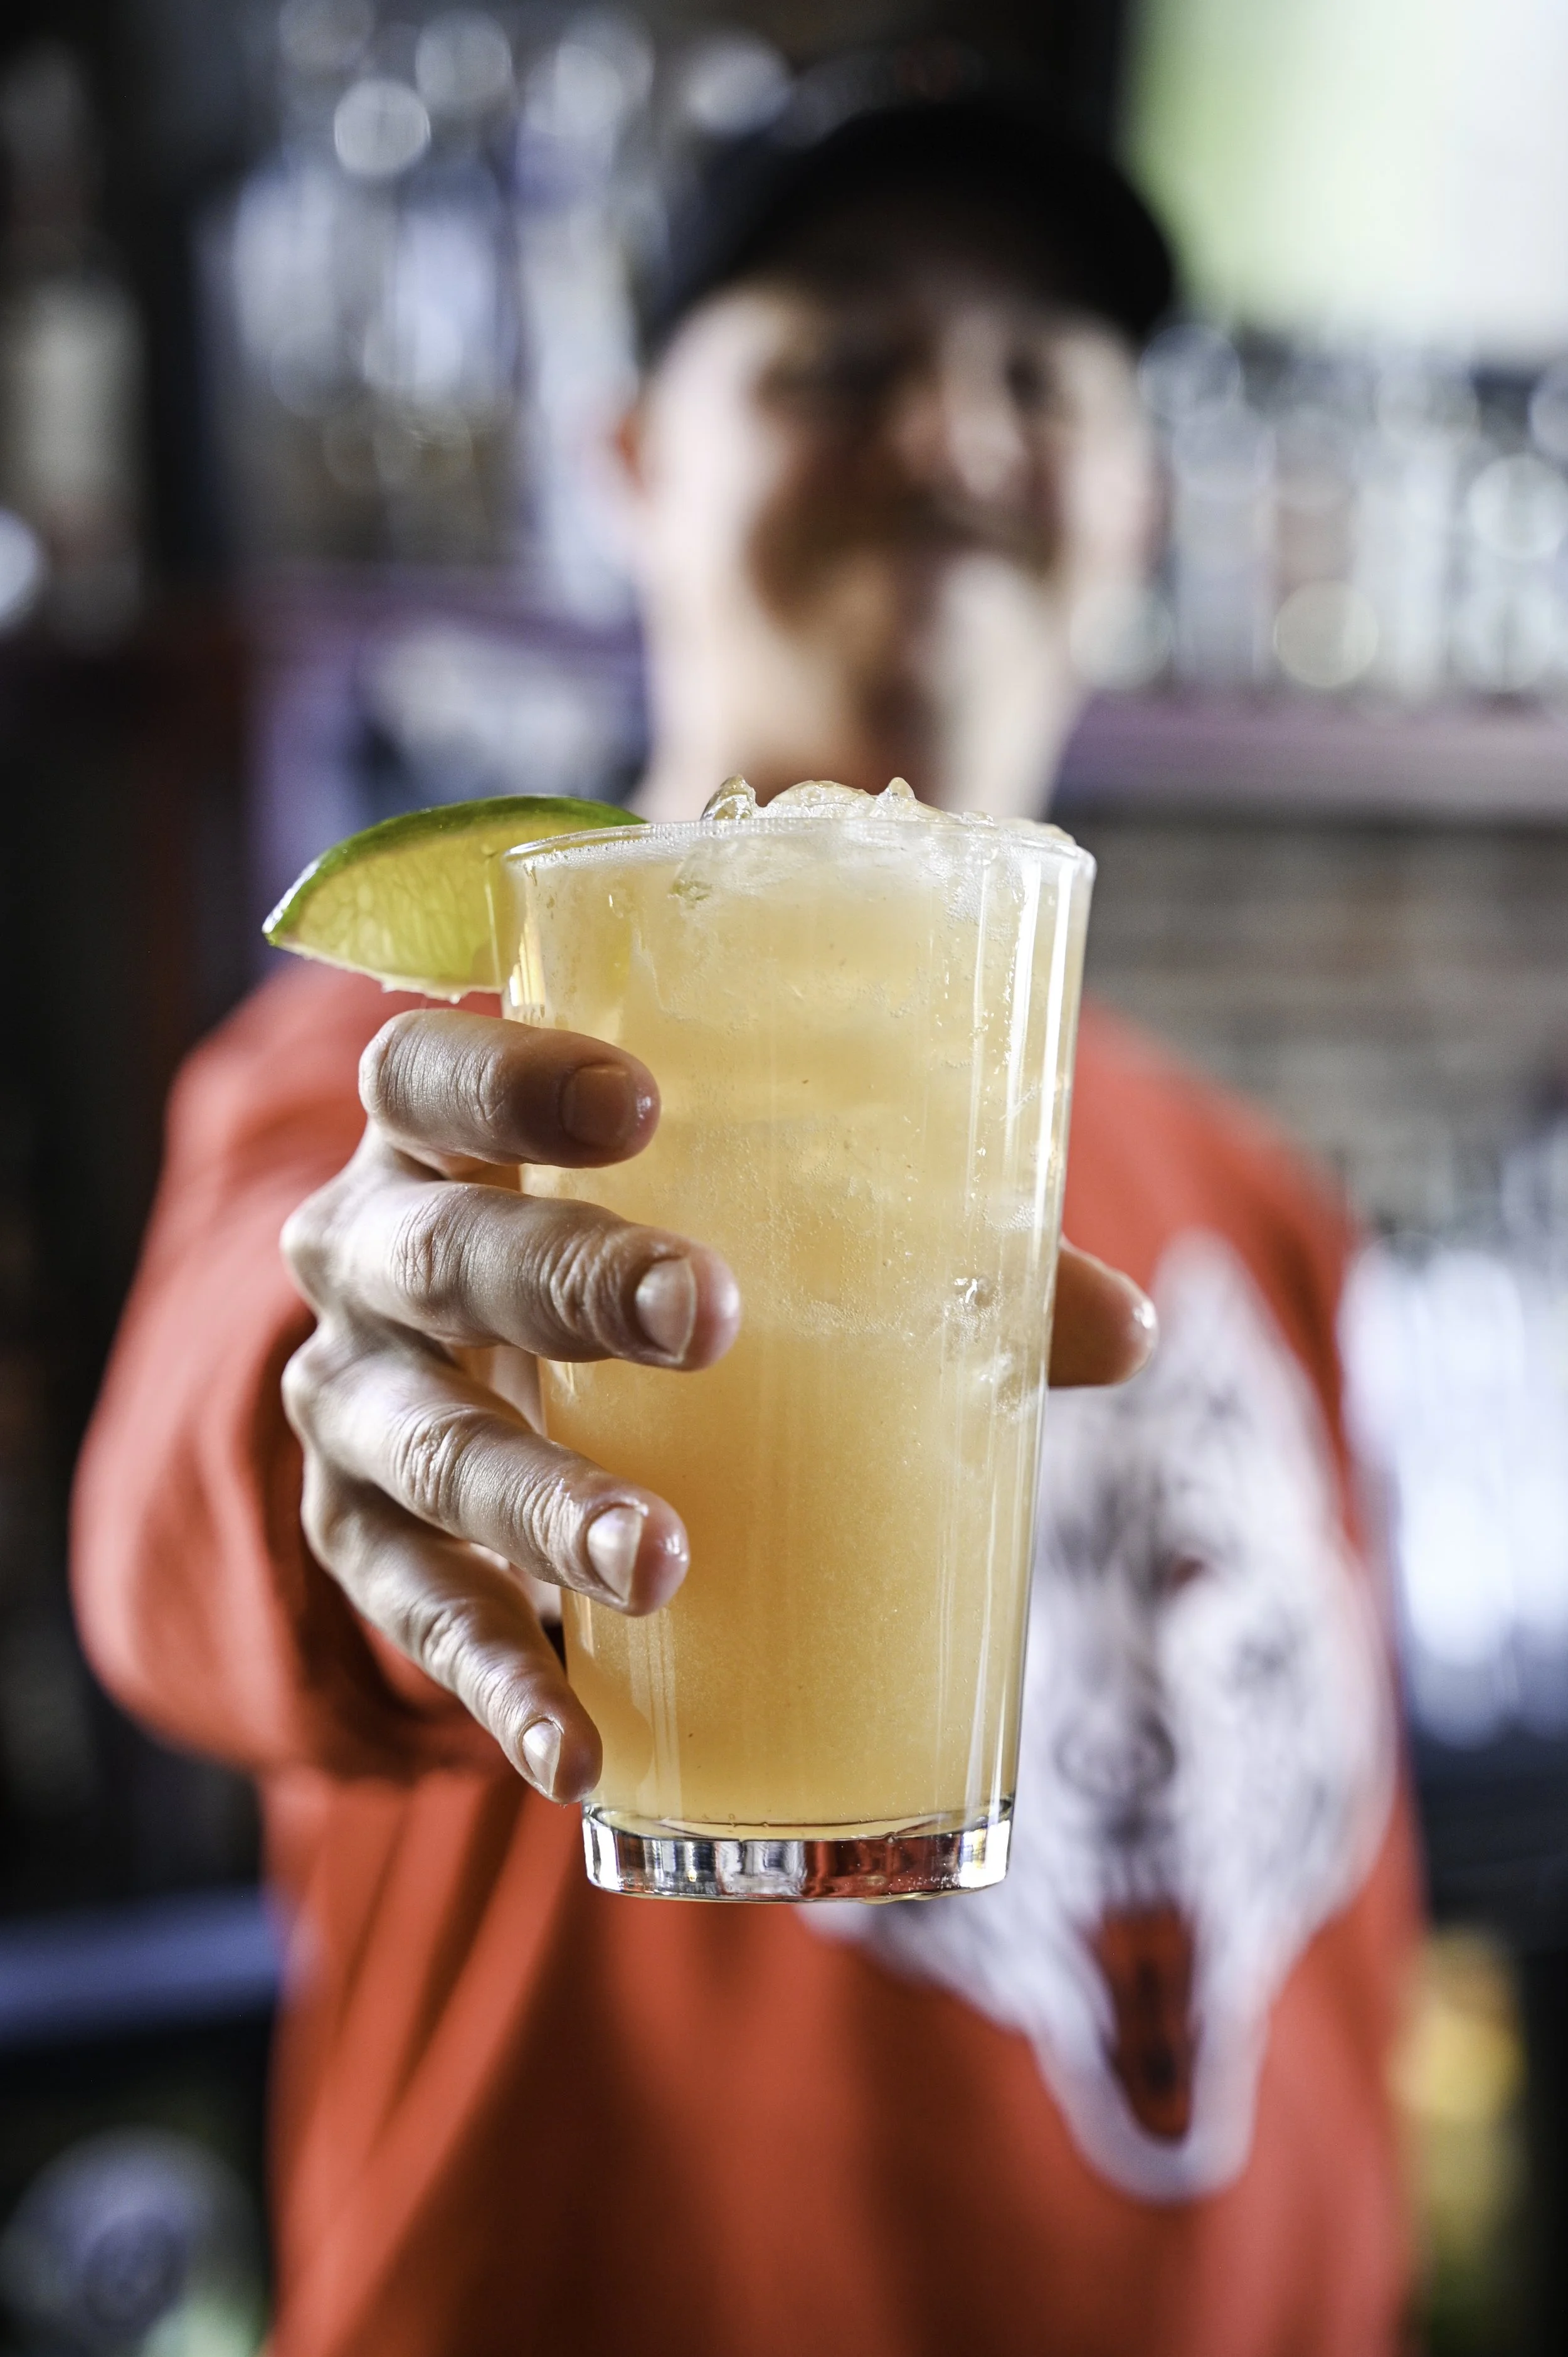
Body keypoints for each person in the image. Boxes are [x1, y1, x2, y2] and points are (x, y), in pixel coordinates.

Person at [73, 62, 1417, 2357]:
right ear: (634, 465)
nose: (954, 433)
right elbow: (195, 1500)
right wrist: (382, 1424)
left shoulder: (1257, 1204)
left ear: (1134, 498)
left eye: (1039, 376)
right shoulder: (407, 1074)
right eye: (844, 358)